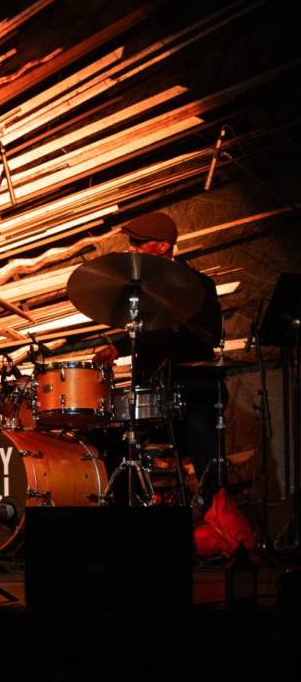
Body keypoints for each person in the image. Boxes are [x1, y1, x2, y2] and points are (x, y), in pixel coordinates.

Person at [92, 211, 221, 504]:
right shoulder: (137, 288)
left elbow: (209, 336)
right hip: (149, 391)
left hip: (191, 391)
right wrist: (118, 348)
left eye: (139, 243)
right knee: (110, 435)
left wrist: (168, 332)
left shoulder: (199, 285)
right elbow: (143, 331)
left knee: (201, 433)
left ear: (163, 247)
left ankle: (213, 512)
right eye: (131, 242)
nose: (131, 248)